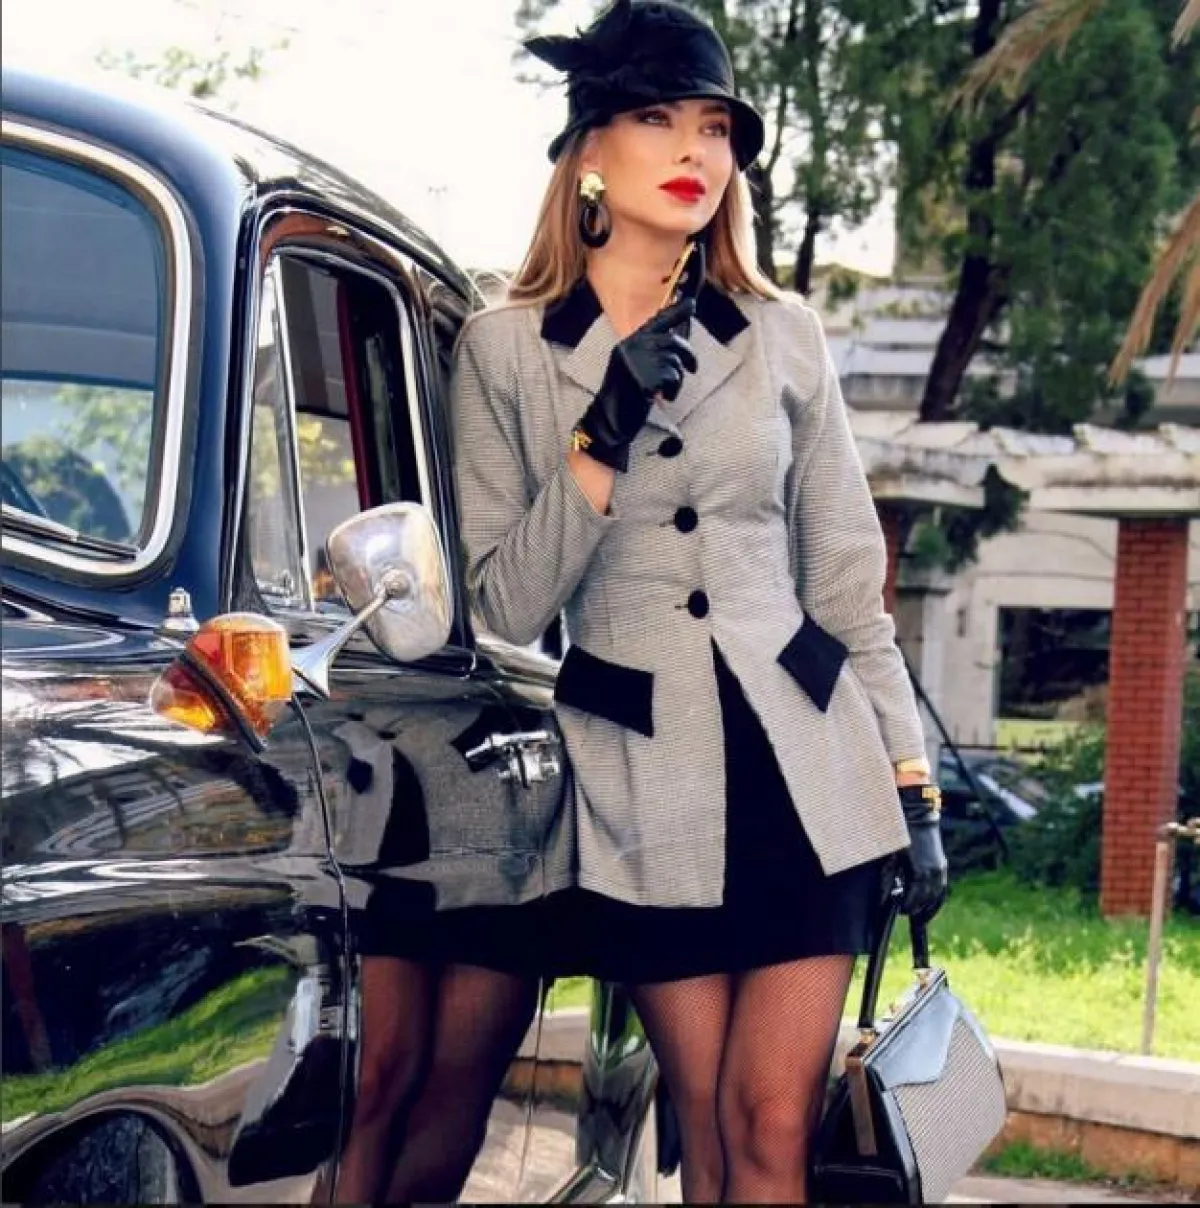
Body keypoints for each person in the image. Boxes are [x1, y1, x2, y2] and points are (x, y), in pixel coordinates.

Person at [451, 0, 949, 1201]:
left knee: (773, 1126)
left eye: (716, 128)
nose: (694, 151)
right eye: (658, 119)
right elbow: (500, 605)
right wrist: (601, 435)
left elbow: (849, 584)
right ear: (588, 149)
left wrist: (913, 782)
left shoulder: (782, 333)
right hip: (641, 783)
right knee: (714, 1132)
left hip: (808, 773)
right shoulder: (504, 347)